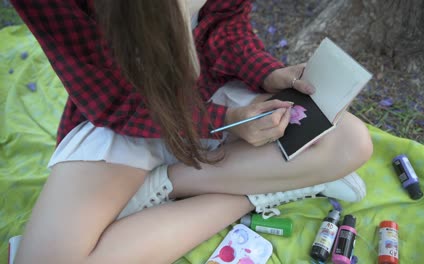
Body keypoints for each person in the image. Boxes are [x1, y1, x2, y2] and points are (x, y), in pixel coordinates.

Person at [11, 0, 373, 263]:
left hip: (211, 91)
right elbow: (111, 99)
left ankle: (171, 183)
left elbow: (226, 23)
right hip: (128, 115)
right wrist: (223, 120)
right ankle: (265, 188)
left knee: (350, 143)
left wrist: (265, 73)